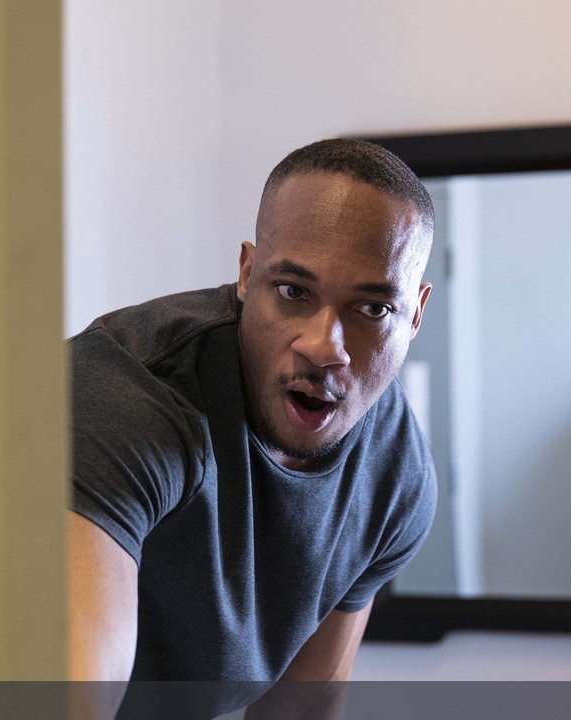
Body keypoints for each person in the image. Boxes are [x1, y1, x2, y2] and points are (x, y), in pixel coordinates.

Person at [67, 138, 438, 718]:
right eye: (293, 292)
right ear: (246, 274)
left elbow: (303, 705)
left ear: (415, 313)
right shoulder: (128, 398)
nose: (324, 347)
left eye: (373, 309)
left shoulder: (394, 473)